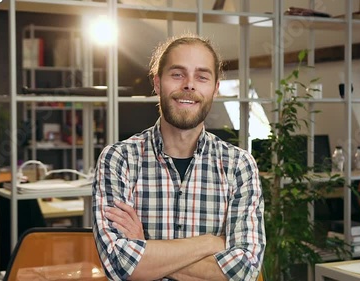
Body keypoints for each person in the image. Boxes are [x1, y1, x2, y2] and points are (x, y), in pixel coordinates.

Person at [92, 34, 265, 281]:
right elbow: (120, 264)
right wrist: (211, 243)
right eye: (177, 74)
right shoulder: (118, 159)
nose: (189, 85)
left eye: (202, 76)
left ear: (215, 89)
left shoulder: (239, 165)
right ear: (157, 82)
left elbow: (243, 271)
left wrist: (145, 247)